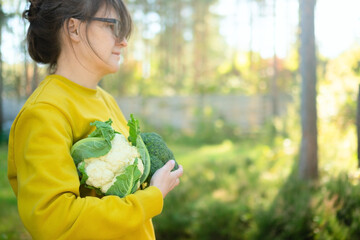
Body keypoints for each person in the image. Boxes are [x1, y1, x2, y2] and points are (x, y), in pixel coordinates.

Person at [7, 0, 183, 239]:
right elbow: (56, 221)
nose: (123, 41)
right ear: (73, 28)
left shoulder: (104, 99)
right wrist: (151, 196)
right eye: (113, 26)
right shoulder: (45, 112)